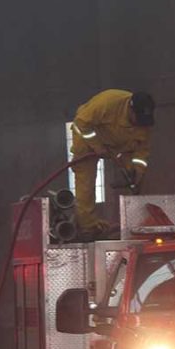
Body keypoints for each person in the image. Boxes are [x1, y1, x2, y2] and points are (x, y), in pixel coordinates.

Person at [70, 89, 156, 238]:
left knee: (136, 179)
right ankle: (87, 226)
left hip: (118, 143)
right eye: (138, 118)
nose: (141, 124)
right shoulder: (107, 102)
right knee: (86, 180)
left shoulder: (143, 123)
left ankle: (138, 220)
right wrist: (97, 147)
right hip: (87, 136)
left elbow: (142, 151)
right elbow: (80, 123)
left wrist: (137, 171)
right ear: (130, 108)